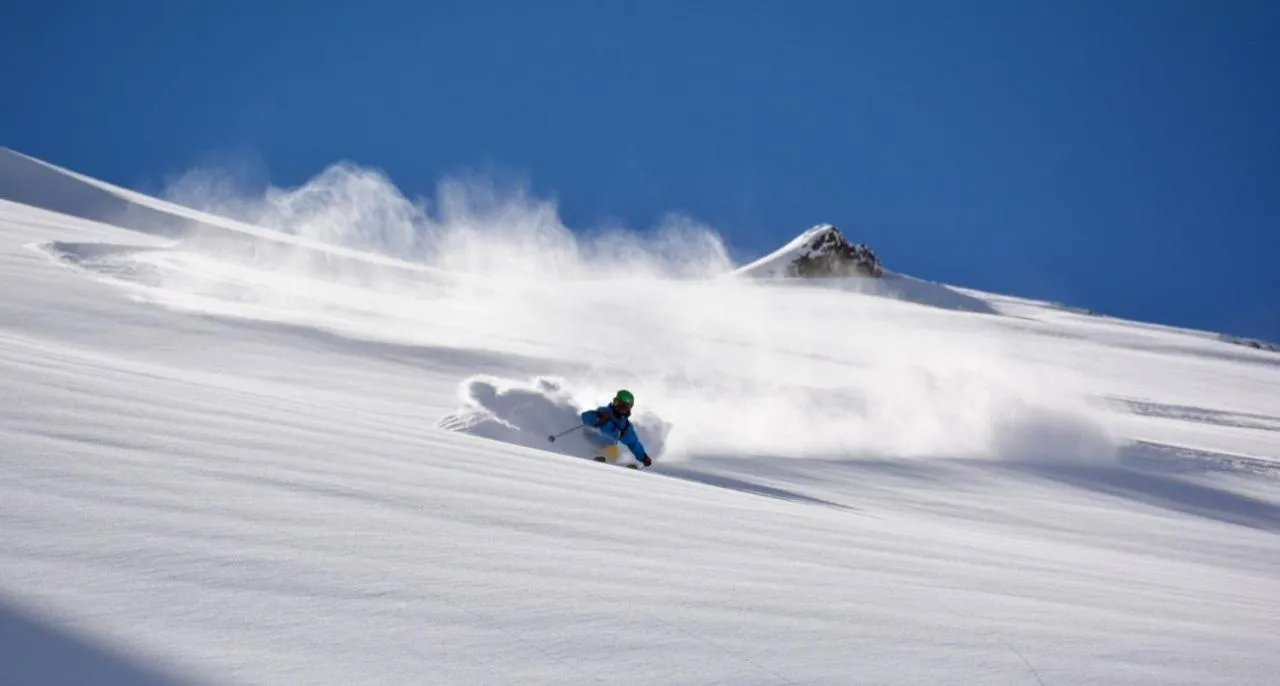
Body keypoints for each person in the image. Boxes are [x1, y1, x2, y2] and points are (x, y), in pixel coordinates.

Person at [580, 389, 652, 467]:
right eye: (619, 404)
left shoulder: (624, 426)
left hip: (608, 449)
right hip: (590, 444)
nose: (621, 409)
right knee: (598, 447)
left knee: (613, 451)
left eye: (625, 407)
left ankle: (611, 465)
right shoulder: (605, 413)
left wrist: (643, 457)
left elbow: (633, 443)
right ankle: (593, 457)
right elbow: (585, 417)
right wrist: (598, 416)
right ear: (615, 402)